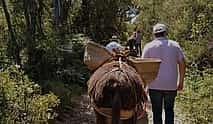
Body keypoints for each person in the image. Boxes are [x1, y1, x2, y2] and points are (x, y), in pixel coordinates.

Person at [142, 23, 186, 124]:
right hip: (170, 85)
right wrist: (181, 81)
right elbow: (182, 63)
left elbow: (143, 66)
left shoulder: (148, 46)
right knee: (169, 111)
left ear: (154, 34)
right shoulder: (175, 45)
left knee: (157, 112)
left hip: (154, 85)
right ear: (165, 33)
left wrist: (145, 86)